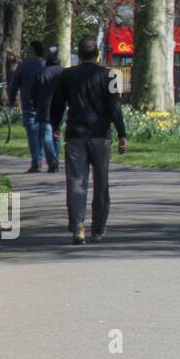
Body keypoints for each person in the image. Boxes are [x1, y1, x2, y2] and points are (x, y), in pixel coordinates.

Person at [49, 35, 127, 245]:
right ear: (97, 54)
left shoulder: (67, 75)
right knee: (101, 182)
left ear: (79, 54)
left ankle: (78, 226)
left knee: (76, 181)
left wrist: (55, 126)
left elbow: (57, 103)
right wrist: (122, 134)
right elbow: (115, 107)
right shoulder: (111, 76)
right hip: (101, 136)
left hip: (76, 135)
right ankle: (98, 228)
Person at [8, 41, 48, 172]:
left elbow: (14, 84)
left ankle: (36, 161)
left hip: (28, 103)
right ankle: (41, 159)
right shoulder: (45, 65)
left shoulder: (24, 66)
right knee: (42, 133)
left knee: (32, 134)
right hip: (44, 104)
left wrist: (12, 99)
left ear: (33, 50)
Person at [31, 50, 65, 173]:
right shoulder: (63, 72)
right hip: (60, 108)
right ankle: (55, 158)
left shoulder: (41, 72)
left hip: (44, 107)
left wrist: (36, 105)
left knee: (46, 134)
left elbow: (33, 92)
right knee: (56, 134)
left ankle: (52, 160)